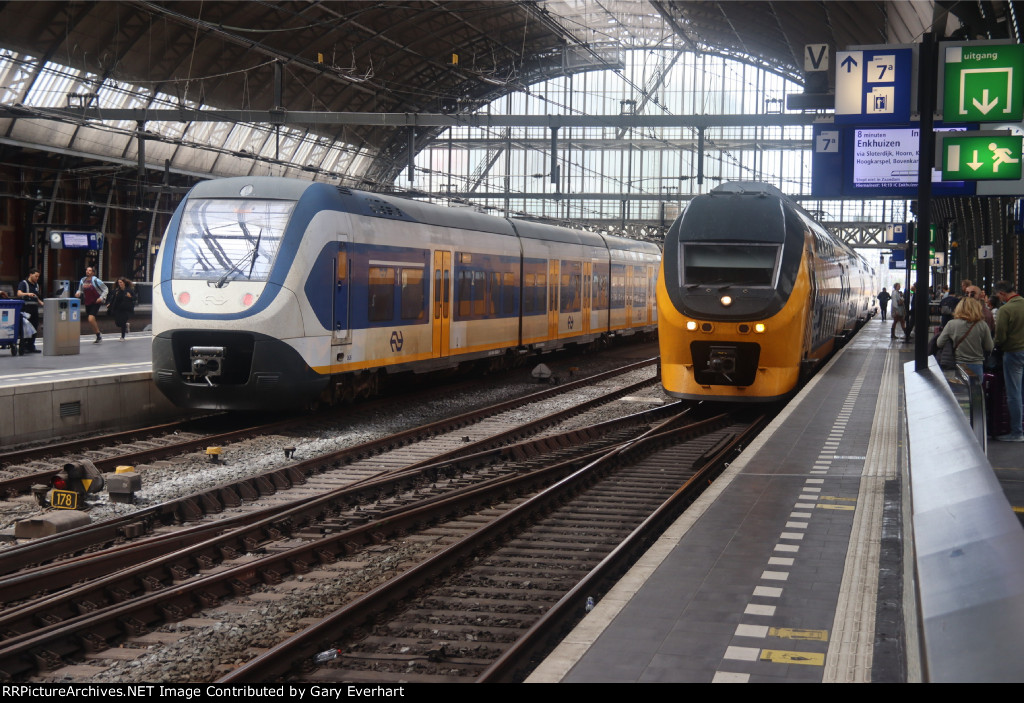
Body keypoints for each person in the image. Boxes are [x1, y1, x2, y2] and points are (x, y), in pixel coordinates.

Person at [994, 280, 1024, 442]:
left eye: (998, 296)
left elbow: (1000, 336)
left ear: (1003, 293)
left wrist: (998, 346)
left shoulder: (1005, 310)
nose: (999, 299)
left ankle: (1017, 432)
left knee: (1014, 394)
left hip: (1013, 353)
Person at [936, 297, 993, 379]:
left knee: (959, 390)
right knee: (975, 390)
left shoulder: (951, 324)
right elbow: (989, 347)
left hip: (958, 364)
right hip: (977, 364)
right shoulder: (982, 325)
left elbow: (939, 343)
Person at [75, 266, 108, 343]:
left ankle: (98, 335)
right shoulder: (83, 280)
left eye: (89, 270)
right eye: (87, 270)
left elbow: (106, 289)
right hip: (88, 302)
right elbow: (80, 290)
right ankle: (98, 334)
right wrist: (78, 293)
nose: (88, 271)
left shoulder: (96, 280)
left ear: (93, 272)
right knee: (91, 320)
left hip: (96, 301)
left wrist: (101, 297)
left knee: (90, 318)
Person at [15, 267, 42, 353]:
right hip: (26, 309)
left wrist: (40, 302)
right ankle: (24, 346)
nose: (37, 278)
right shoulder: (23, 283)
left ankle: (31, 346)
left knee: (34, 327)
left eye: (38, 277)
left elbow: (36, 296)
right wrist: (28, 294)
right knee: (25, 328)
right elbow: (19, 293)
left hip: (34, 309)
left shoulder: (36, 285)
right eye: (36, 276)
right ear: (30, 275)